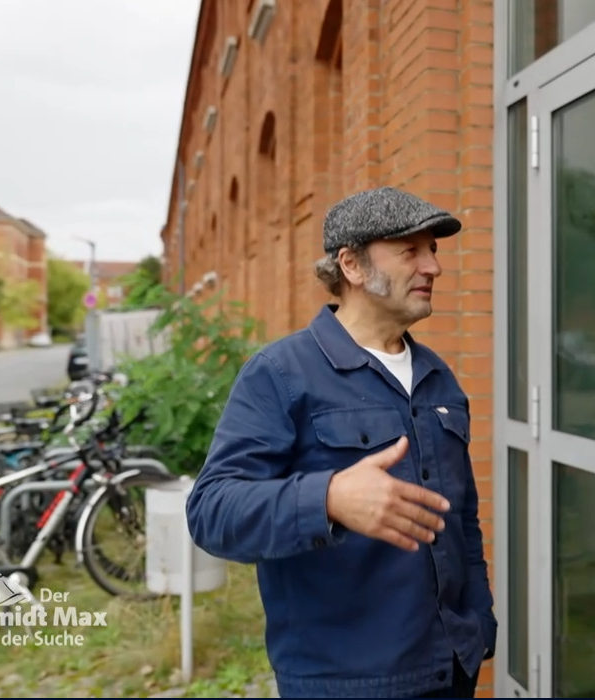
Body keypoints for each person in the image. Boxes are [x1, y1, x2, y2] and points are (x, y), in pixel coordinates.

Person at [185, 186, 497, 699]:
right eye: (410, 251)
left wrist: (479, 623)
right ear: (351, 265)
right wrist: (327, 498)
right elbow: (212, 511)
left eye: (433, 251)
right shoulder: (281, 374)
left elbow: (461, 519)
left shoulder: (438, 379)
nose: (433, 267)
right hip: (343, 681)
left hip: (451, 671)